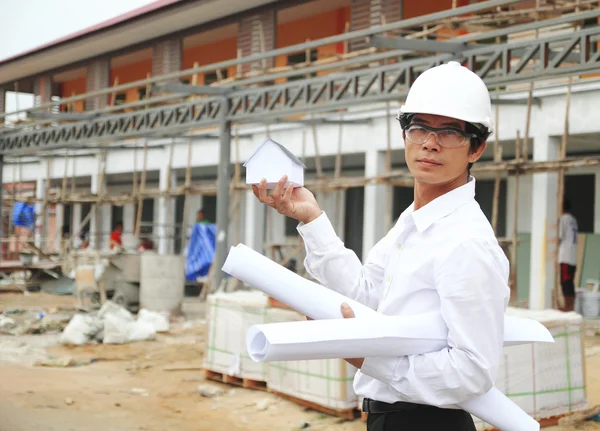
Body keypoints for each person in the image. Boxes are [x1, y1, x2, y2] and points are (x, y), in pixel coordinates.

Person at [253, 61, 510, 431]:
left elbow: (472, 370)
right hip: (392, 417)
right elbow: (367, 297)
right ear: (405, 134)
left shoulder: (466, 242)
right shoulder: (413, 224)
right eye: (419, 127)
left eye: (450, 132)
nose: (430, 143)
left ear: (477, 148)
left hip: (428, 423)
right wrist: (311, 219)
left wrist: (363, 355)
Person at [558, 198, 578, 312]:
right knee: (569, 282)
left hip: (566, 255)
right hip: (573, 255)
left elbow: (559, 236)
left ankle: (568, 307)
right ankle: (570, 307)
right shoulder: (573, 219)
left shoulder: (563, 219)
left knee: (565, 282)